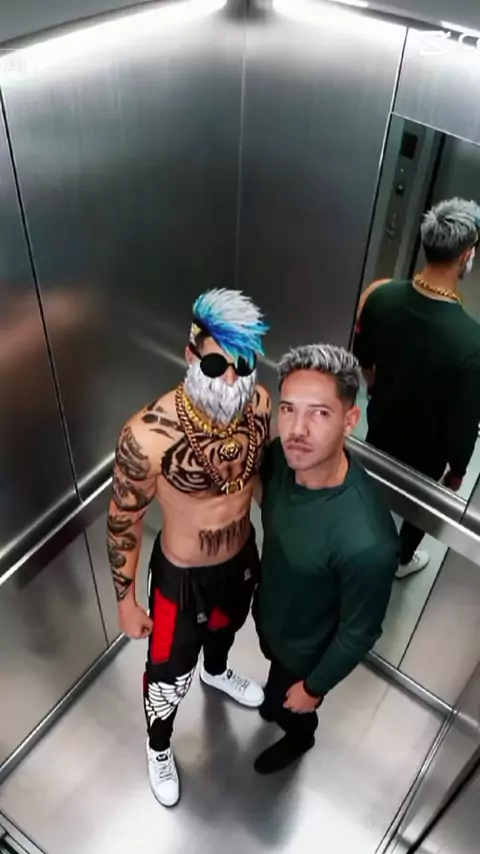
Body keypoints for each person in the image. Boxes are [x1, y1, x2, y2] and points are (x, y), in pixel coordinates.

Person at [106, 288, 271, 807]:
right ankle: (158, 746)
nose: (231, 379)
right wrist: (126, 601)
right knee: (167, 674)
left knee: (228, 628)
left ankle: (216, 672)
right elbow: (124, 519)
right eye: (217, 363)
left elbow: (259, 478)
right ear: (191, 355)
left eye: (243, 365)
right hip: (181, 579)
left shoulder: (259, 406)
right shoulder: (147, 436)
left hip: (241, 560)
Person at [253, 344, 399, 775]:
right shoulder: (281, 459)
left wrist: (313, 689)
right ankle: (277, 699)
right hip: (272, 621)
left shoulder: (367, 540)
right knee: (276, 688)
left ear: (350, 420)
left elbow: (358, 633)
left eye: (319, 413)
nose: (297, 429)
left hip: (307, 655)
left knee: (293, 707)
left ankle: (300, 736)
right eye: (288, 410)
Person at [354, 197, 480, 578]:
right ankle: (402, 558)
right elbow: (463, 422)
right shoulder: (472, 342)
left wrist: (376, 390)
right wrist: (457, 470)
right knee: (421, 505)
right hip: (428, 450)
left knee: (371, 483)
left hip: (382, 422)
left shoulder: (380, 296)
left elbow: (364, 360)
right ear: (466, 255)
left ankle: (358, 537)